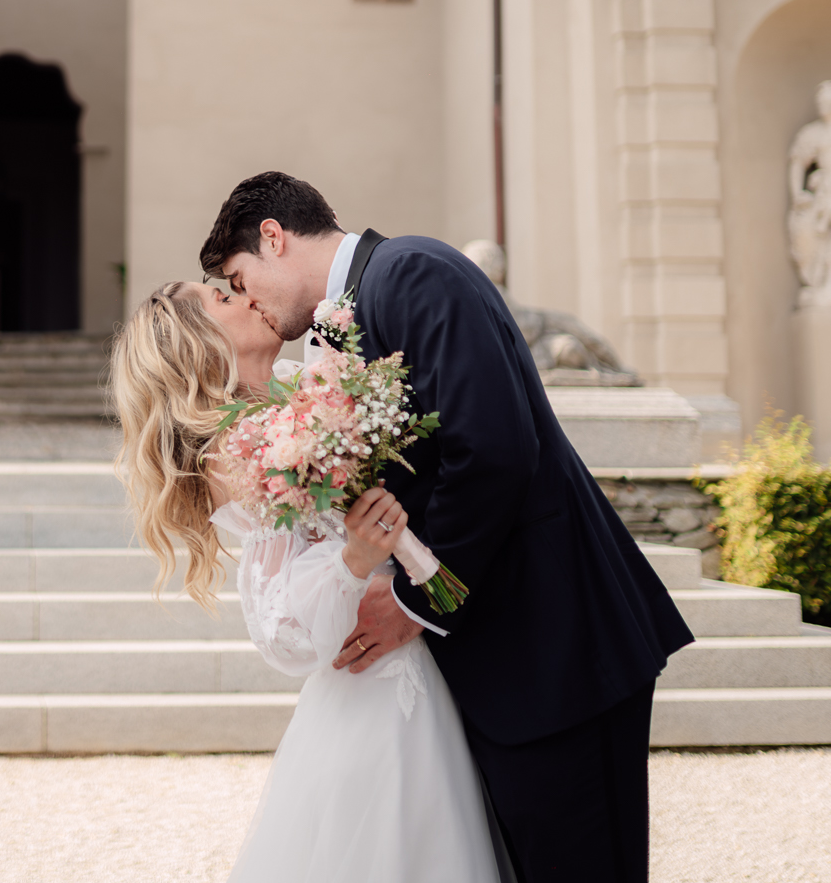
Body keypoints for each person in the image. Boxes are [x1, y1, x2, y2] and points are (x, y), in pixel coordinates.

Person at [200, 172, 693, 883]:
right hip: (507, 660)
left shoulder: (413, 273)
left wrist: (410, 600)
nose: (249, 302)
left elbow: (492, 449)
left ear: (273, 237)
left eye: (243, 279)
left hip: (557, 645)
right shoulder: (358, 311)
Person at [111, 283, 508, 882]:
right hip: (376, 678)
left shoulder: (303, 389)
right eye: (223, 298)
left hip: (434, 640)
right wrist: (354, 560)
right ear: (199, 342)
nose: (247, 298)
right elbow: (282, 631)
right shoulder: (231, 451)